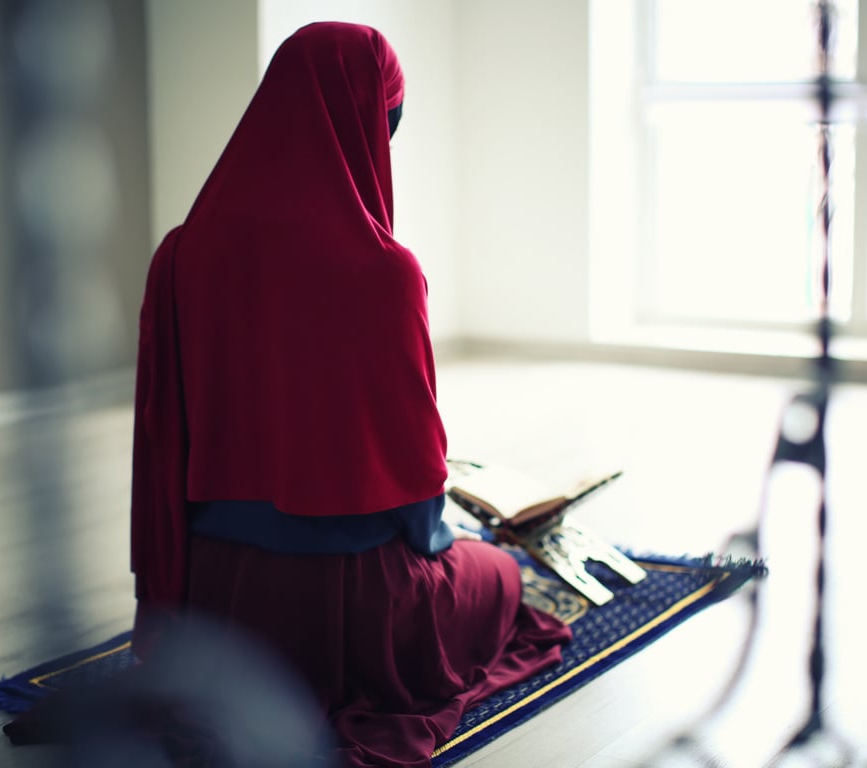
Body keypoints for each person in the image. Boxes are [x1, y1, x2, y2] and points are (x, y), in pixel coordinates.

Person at [129, 21, 572, 767]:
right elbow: (413, 478)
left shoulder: (180, 253)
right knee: (495, 575)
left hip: (218, 590)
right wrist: (443, 541)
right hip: (358, 595)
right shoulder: (384, 271)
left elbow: (162, 436)